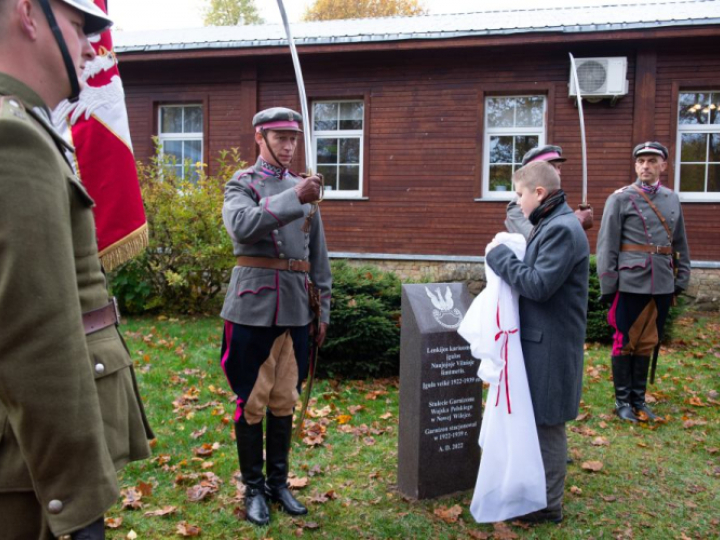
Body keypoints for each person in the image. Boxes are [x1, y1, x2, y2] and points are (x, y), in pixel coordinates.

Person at [0, 1, 153, 539]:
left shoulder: (26, 127)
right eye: (78, 26)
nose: (92, 46)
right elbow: (35, 337)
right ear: (28, 14)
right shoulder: (13, 138)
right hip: (35, 476)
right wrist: (78, 502)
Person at [219, 107, 332, 526]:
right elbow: (242, 226)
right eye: (280, 137)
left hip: (298, 307)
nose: (288, 146)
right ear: (259, 138)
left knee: (284, 398)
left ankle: (278, 482)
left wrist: (324, 305)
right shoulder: (241, 184)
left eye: (294, 138)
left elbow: (317, 254)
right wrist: (294, 198)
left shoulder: (304, 186)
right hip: (252, 306)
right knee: (252, 399)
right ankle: (252, 487)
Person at [486, 161, 589, 523]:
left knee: (547, 422)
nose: (519, 203)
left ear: (539, 193)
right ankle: (535, 494)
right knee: (540, 420)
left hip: (553, 345)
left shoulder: (560, 228)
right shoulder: (551, 222)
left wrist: (500, 260)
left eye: (519, 195)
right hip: (542, 341)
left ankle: (547, 506)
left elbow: (539, 286)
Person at [596, 141, 691, 422]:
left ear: (663, 165)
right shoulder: (621, 198)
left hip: (662, 281)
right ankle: (622, 401)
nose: (646, 166)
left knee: (647, 341)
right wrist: (608, 284)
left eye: (652, 161)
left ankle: (639, 399)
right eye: (641, 161)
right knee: (624, 341)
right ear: (636, 166)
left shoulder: (672, 199)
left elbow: (680, 242)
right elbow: (607, 245)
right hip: (630, 281)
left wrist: (682, 276)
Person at [505, 145, 566, 238]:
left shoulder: (553, 200)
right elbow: (540, 240)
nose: (558, 173)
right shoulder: (517, 208)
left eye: (559, 167)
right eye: (553, 167)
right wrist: (578, 221)